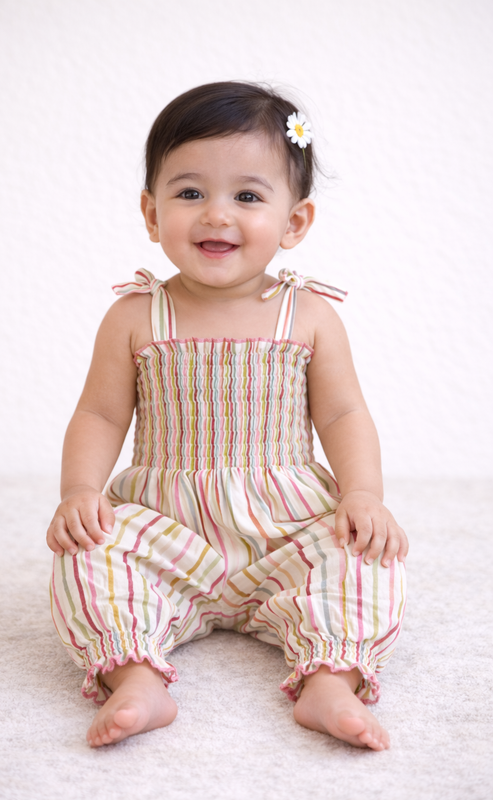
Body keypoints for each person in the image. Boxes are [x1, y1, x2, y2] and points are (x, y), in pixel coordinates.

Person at [47, 81, 408, 752]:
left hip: (284, 533)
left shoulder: (308, 316)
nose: (216, 214)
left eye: (246, 196)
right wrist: (80, 495)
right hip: (166, 533)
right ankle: (134, 676)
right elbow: (98, 413)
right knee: (87, 552)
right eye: (189, 194)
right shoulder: (134, 315)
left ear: (294, 222)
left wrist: (362, 496)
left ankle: (328, 678)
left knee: (365, 555)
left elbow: (342, 412)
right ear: (152, 215)